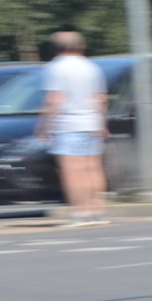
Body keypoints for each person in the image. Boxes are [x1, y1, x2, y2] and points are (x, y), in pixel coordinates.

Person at [37, 31, 109, 225]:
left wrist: (44, 126)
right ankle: (97, 211)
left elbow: (55, 100)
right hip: (92, 123)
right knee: (93, 168)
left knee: (72, 170)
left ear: (54, 48)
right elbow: (100, 99)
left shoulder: (55, 68)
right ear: (80, 46)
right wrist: (102, 123)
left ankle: (80, 213)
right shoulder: (91, 67)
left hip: (68, 124)